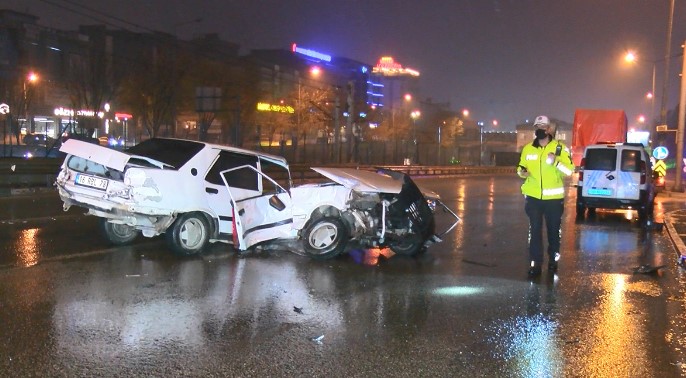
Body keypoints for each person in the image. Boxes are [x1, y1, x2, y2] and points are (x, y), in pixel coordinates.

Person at [517, 115, 574, 277]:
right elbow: (521, 167)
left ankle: (553, 260)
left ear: (549, 129)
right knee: (534, 230)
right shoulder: (528, 148)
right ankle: (535, 263)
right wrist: (522, 172)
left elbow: (570, 171)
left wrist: (556, 162)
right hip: (533, 197)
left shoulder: (559, 149)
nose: (540, 129)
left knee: (553, 231)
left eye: (543, 126)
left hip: (554, 200)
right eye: (537, 127)